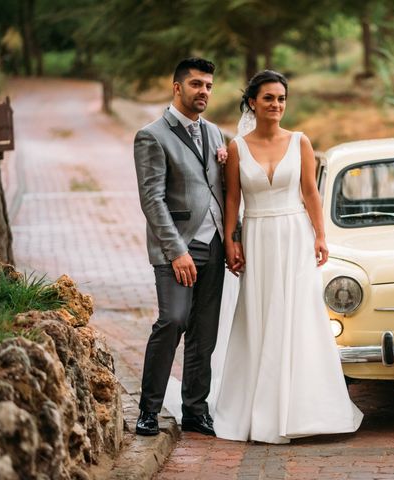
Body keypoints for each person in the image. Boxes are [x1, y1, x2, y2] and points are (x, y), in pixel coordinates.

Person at [213, 70, 363, 444]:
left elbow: (311, 193)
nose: (276, 105)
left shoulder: (300, 142)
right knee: (260, 313)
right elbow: (233, 198)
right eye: (268, 98)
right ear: (252, 102)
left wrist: (321, 235)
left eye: (281, 98)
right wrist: (233, 240)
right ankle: (259, 409)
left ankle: (304, 408)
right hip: (258, 235)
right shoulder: (237, 148)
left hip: (295, 234)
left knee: (297, 315)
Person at [133, 57, 240, 436]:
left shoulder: (215, 134)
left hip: (212, 245)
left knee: (204, 332)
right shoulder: (152, 135)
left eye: (209, 86)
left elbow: (224, 190)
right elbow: (152, 200)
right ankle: (148, 410)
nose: (204, 92)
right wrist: (176, 251)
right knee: (173, 321)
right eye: (196, 84)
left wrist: (233, 239)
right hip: (177, 247)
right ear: (176, 87)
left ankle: (196, 410)